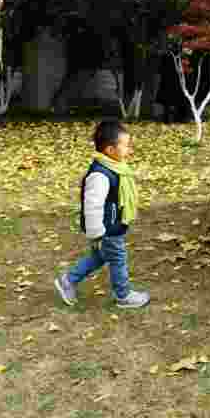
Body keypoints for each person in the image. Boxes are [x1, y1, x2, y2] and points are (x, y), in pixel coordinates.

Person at [55, 120, 150, 308]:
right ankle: (123, 295)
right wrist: (97, 233)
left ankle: (68, 280)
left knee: (100, 257)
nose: (130, 149)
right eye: (125, 145)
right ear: (110, 150)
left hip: (112, 225)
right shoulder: (100, 175)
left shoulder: (115, 168)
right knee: (118, 257)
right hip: (107, 228)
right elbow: (92, 206)